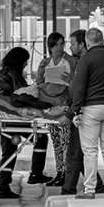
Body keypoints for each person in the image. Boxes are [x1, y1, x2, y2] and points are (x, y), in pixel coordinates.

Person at [67, 28, 104, 199]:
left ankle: (89, 190)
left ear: (88, 42)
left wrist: (75, 109)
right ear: (103, 41)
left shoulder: (85, 60)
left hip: (91, 108)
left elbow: (79, 87)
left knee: (90, 151)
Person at [59, 30, 104, 195]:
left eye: (72, 43)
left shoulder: (85, 62)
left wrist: (72, 112)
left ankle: (71, 188)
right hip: (82, 109)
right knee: (80, 152)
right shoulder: (81, 62)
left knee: (78, 152)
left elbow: (81, 91)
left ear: (82, 44)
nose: (70, 47)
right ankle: (97, 185)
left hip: (84, 111)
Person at [34, 32, 76, 187]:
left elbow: (77, 83)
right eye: (55, 45)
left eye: (61, 44)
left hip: (64, 105)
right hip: (49, 108)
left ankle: (65, 173)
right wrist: (50, 86)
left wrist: (68, 82)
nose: (59, 48)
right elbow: (38, 82)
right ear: (49, 47)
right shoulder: (45, 63)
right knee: (56, 141)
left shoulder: (71, 61)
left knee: (66, 141)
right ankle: (59, 172)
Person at [0, 46, 31, 199]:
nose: (26, 65)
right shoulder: (13, 74)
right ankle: (36, 173)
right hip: (13, 119)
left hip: (5, 118)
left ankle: (3, 184)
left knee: (8, 152)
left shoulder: (2, 72)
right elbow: (22, 94)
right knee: (40, 139)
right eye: (25, 61)